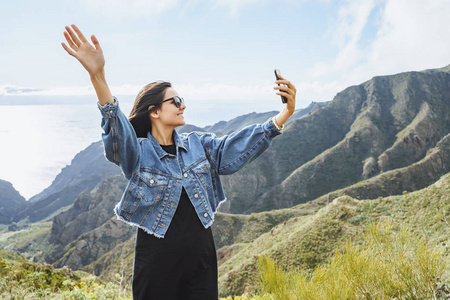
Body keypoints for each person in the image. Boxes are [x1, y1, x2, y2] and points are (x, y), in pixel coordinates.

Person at [61, 24, 296, 300]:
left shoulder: (199, 145)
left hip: (201, 260)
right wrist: (98, 75)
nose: (183, 105)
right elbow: (116, 130)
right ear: (155, 111)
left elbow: (234, 149)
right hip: (157, 263)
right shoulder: (138, 153)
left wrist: (284, 114)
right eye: (176, 101)